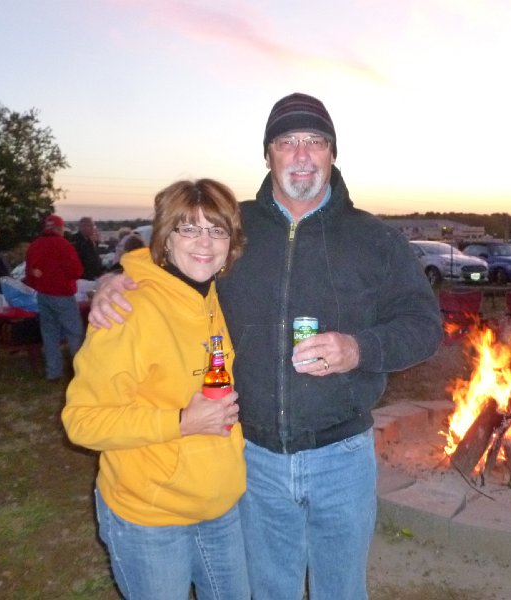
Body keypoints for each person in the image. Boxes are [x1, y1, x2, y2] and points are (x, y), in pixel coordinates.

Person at [88, 93, 443, 599]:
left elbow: (424, 324)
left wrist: (359, 348)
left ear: (332, 153)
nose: (301, 154)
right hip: (252, 456)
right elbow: (171, 257)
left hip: (342, 454)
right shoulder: (237, 227)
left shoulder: (376, 239)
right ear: (269, 154)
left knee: (341, 591)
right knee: (268, 590)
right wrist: (116, 279)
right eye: (287, 142)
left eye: (314, 142)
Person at [62, 179, 249, 599]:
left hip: (220, 507)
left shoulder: (212, 295)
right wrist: (181, 422)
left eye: (217, 230)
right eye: (189, 228)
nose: (205, 243)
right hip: (151, 516)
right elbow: (82, 422)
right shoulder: (131, 309)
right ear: (165, 238)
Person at [25, 215, 84, 381]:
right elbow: (77, 271)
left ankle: (53, 372)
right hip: (63, 295)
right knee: (74, 333)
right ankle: (81, 373)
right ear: (59, 228)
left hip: (43, 295)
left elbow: (29, 274)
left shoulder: (34, 245)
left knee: (50, 334)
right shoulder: (63, 245)